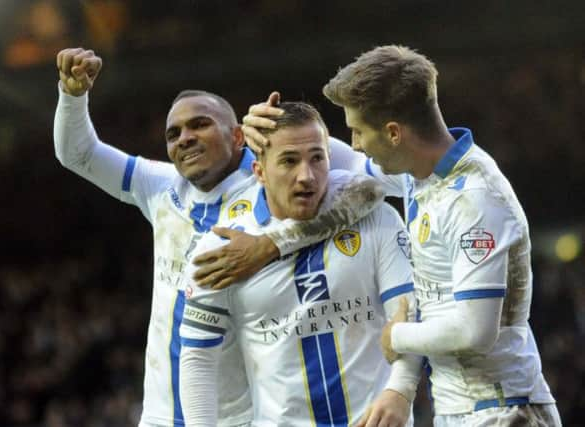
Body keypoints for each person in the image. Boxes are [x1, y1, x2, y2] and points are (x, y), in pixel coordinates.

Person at [53, 48, 385, 427]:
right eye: (174, 133)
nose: (185, 138)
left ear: (239, 134)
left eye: (200, 124)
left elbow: (373, 187)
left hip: (238, 415)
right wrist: (73, 95)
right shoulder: (159, 185)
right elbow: (77, 154)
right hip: (159, 414)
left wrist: (271, 244)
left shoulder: (273, 181)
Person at [242, 45, 562, 426]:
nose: (356, 143)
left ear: (393, 133)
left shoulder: (475, 200)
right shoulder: (419, 173)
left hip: (507, 411)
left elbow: (476, 331)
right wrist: (266, 129)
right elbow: (337, 162)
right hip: (463, 409)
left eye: (359, 131)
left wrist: (398, 337)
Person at [179, 102, 422, 427]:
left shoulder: (375, 218)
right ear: (259, 171)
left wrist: (399, 391)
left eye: (317, 158)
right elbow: (197, 360)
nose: (306, 176)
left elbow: (408, 312)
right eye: (289, 161)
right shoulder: (220, 250)